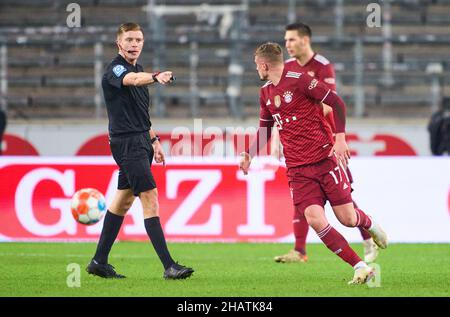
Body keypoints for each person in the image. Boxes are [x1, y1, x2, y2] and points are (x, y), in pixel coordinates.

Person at [240, 42, 387, 284]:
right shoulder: (265, 92)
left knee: (348, 219)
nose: (256, 70)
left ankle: (370, 224)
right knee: (315, 219)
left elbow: (337, 102)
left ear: (264, 65)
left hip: (324, 160)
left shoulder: (300, 80)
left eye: (256, 65)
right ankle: (360, 267)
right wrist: (249, 154)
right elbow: (265, 129)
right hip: (297, 169)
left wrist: (340, 139)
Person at [86, 22, 193, 280]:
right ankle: (169, 265)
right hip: (127, 143)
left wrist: (154, 140)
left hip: (141, 141)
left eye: (139, 40)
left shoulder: (139, 69)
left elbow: (141, 112)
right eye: (130, 40)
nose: (135, 44)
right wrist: (156, 77)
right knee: (150, 197)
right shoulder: (116, 70)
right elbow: (131, 80)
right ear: (119, 43)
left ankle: (99, 261)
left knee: (122, 202)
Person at [273, 23, 378, 264]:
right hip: (299, 144)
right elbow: (282, 108)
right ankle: (299, 251)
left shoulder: (322, 65)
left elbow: (330, 103)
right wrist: (281, 135)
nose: (287, 45)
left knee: (343, 200)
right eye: (285, 40)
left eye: (291, 40)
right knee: (303, 199)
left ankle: (367, 237)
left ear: (305, 40)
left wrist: (306, 118)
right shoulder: (287, 68)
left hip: (324, 139)